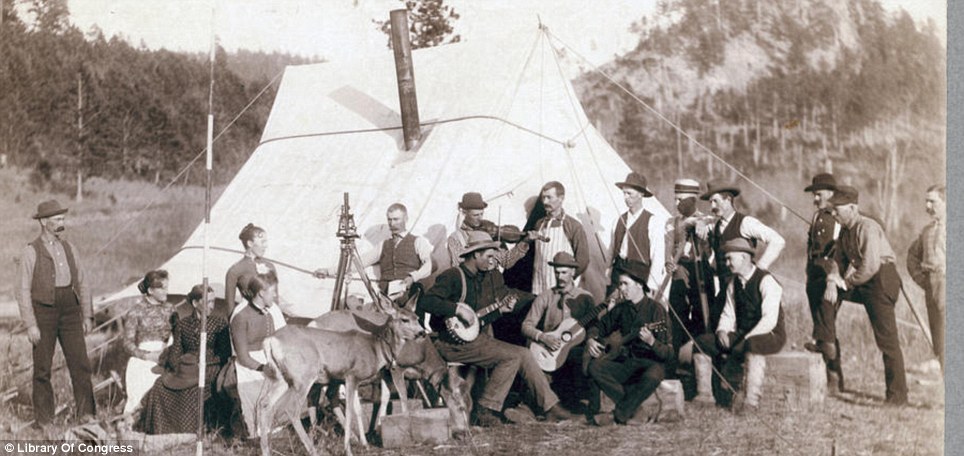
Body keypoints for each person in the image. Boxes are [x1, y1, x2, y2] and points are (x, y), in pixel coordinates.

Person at [419, 232, 571, 426]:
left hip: (475, 340)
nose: (493, 261)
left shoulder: (488, 277)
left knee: (523, 353)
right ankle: (485, 409)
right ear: (475, 255)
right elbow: (426, 301)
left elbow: (480, 319)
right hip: (450, 343)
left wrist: (501, 310)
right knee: (513, 356)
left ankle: (550, 407)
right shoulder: (453, 276)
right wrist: (456, 309)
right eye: (489, 256)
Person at [825, 186, 907, 405]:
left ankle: (897, 398)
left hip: (882, 280)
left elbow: (870, 266)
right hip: (865, 281)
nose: (833, 214)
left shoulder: (867, 227)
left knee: (887, 341)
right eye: (832, 210)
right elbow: (838, 261)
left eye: (837, 210)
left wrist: (845, 282)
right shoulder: (844, 231)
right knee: (827, 296)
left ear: (852, 208)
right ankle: (823, 338)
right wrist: (833, 280)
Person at [16, 199, 96, 427]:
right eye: (57, 219)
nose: (62, 222)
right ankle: (45, 421)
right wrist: (31, 324)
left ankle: (87, 416)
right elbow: (22, 290)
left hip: (70, 312)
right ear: (43, 222)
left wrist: (87, 315)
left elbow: (83, 281)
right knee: (42, 369)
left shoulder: (70, 248)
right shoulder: (31, 251)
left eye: (63, 218)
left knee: (80, 364)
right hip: (44, 313)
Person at [692, 238, 786, 411]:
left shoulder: (767, 281)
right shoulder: (733, 283)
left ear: (743, 257)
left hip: (770, 335)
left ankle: (751, 402)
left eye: (730, 259)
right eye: (726, 259)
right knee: (702, 342)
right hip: (744, 333)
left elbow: (769, 320)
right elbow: (729, 313)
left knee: (752, 344)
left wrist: (745, 339)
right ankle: (705, 396)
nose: (727, 263)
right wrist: (722, 331)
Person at [585, 261, 673, 425]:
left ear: (640, 285)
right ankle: (634, 409)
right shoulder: (621, 309)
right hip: (627, 363)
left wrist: (652, 341)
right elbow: (599, 326)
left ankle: (618, 414)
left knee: (655, 373)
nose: (621, 289)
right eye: (620, 284)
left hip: (650, 364)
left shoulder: (657, 310)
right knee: (594, 367)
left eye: (625, 284)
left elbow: (668, 353)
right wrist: (591, 338)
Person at [697, 181, 785, 328]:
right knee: (715, 327)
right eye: (710, 202)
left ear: (728, 200)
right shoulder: (715, 226)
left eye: (715, 201)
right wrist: (699, 222)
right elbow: (698, 222)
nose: (712, 207)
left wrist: (761, 267)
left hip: (745, 289)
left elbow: (778, 240)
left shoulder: (746, 223)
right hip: (726, 290)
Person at [521, 251, 596, 412]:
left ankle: (579, 402)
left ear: (573, 273)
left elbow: (594, 327)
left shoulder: (585, 298)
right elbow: (526, 326)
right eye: (557, 272)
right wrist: (543, 338)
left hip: (573, 352)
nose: (560, 276)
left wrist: (590, 339)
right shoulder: (545, 296)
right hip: (549, 350)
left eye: (564, 272)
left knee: (580, 357)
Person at [801, 173, 845, 392]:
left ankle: (834, 381)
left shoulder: (836, 218)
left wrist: (832, 280)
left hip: (828, 277)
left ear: (829, 193)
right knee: (822, 326)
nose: (815, 199)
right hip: (814, 276)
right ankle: (830, 378)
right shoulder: (817, 216)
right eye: (814, 195)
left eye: (818, 195)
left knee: (826, 328)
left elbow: (837, 252)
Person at [168, 284, 232, 429]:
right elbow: (175, 352)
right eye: (208, 302)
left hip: (213, 366)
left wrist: (205, 363)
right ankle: (171, 429)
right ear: (195, 303)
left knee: (200, 385)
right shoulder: (183, 324)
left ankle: (204, 429)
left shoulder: (219, 323)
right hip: (188, 366)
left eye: (213, 301)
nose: (212, 306)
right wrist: (178, 367)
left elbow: (224, 353)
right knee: (161, 386)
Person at [230, 271, 283, 438]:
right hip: (250, 369)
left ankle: (272, 434)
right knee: (256, 407)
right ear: (261, 293)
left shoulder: (269, 314)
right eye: (273, 292)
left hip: (268, 362)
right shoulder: (241, 316)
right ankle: (256, 437)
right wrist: (263, 368)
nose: (275, 295)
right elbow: (243, 357)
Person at [664, 178, 714, 352]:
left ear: (693, 200)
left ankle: (698, 355)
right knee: (676, 314)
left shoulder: (707, 220)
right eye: (675, 199)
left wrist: (699, 223)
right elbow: (669, 243)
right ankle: (676, 357)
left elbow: (709, 232)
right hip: (680, 270)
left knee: (703, 314)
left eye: (681, 199)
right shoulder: (672, 222)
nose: (677, 203)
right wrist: (668, 262)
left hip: (701, 272)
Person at [123, 269, 175, 415]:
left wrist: (167, 352)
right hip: (142, 359)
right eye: (162, 288)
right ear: (151, 290)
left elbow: (178, 335)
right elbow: (127, 343)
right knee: (141, 389)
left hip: (167, 355)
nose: (166, 292)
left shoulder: (171, 309)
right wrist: (147, 356)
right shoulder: (136, 311)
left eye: (167, 287)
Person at [610, 172, 668, 301]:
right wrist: (608, 274)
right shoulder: (618, 220)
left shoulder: (653, 221)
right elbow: (612, 251)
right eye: (624, 193)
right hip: (618, 274)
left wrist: (651, 285)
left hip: (639, 278)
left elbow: (657, 256)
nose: (626, 197)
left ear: (641, 194)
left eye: (629, 194)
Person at [907, 184, 946, 372]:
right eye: (926, 201)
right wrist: (922, 280)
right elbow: (912, 256)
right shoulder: (927, 231)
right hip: (932, 287)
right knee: (940, 343)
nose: (928, 206)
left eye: (933, 202)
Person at [528, 181, 590, 295]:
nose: (545, 202)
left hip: (560, 288)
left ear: (561, 198)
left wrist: (567, 278)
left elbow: (583, 259)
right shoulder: (539, 224)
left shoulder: (573, 225)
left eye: (549, 197)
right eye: (543, 198)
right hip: (538, 285)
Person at [360, 203, 433, 298]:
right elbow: (361, 262)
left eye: (396, 219)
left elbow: (430, 265)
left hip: (409, 294)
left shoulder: (418, 241)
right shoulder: (383, 244)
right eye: (389, 220)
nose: (392, 224)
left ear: (406, 219)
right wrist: (336, 269)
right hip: (385, 296)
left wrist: (413, 277)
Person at [224, 223, 286, 329]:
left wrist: (276, 315)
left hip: (272, 314)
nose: (266, 245)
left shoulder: (270, 266)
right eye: (263, 242)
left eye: (266, 242)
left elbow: (275, 298)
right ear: (250, 243)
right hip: (248, 318)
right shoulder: (235, 270)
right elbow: (230, 306)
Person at [446, 192, 530, 270]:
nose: (480, 218)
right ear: (464, 213)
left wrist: (524, 243)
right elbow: (459, 266)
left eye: (481, 214)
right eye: (475, 215)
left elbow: (506, 262)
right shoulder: (455, 238)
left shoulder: (489, 232)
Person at [135, 353, 203, 435]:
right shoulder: (200, 390)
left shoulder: (159, 384)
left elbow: (174, 354)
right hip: (190, 436)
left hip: (161, 434)